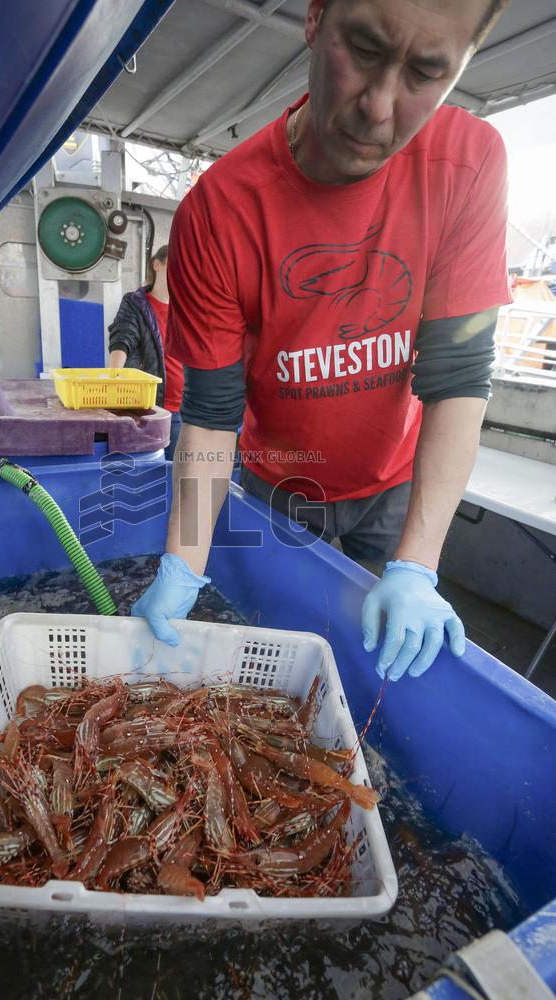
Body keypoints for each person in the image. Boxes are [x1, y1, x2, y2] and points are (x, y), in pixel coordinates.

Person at [132, 0, 513, 683]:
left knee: (375, 668)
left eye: (426, 72)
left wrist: (416, 565)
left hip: (396, 484)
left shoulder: (469, 162)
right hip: (281, 482)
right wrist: (182, 566)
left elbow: (459, 375)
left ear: (460, 69)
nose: (377, 108)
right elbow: (213, 414)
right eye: (363, 49)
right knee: (276, 659)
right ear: (314, 18)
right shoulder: (218, 211)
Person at [108, 244, 184, 460]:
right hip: (154, 409)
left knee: (180, 476)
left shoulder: (187, 309)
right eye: (174, 265)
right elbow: (123, 337)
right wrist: (113, 378)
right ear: (157, 264)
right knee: (155, 475)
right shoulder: (136, 303)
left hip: (187, 409)